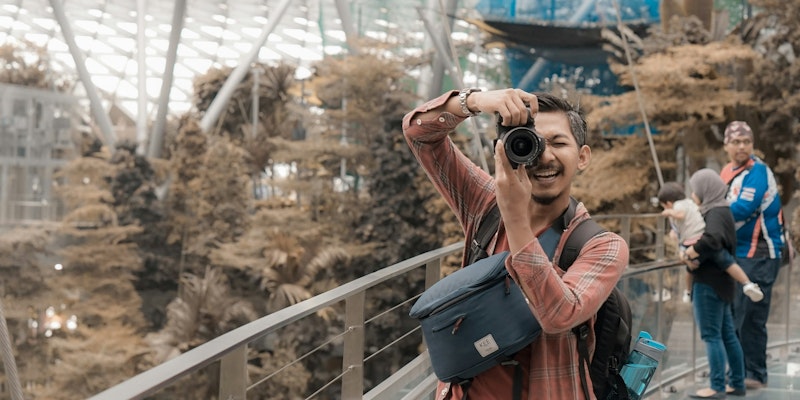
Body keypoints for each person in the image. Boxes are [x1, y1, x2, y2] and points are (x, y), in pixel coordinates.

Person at [402, 88, 628, 400]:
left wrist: (516, 219)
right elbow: (419, 133)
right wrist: (476, 102)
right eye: (530, 143)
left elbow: (559, 315)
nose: (544, 156)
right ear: (508, 149)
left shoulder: (601, 246)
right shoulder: (488, 204)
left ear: (583, 156)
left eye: (559, 143)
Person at [719, 121, 786, 390]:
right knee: (735, 314)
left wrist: (708, 214)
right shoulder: (726, 171)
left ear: (752, 144)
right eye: (735, 142)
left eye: (746, 141)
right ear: (726, 146)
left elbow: (743, 208)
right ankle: (737, 372)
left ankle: (755, 374)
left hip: (761, 253)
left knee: (751, 317)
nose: (741, 147)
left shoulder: (759, 171)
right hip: (738, 253)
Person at [683, 169, 746, 399]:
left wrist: (692, 250)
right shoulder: (723, 209)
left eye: (695, 188)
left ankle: (717, 386)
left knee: (712, 336)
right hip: (722, 282)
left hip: (709, 282)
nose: (693, 193)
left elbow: (712, 239)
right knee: (727, 334)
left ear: (705, 189)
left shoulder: (715, 212)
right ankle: (737, 383)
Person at [656, 182, 763, 303]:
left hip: (692, 242)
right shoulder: (691, 203)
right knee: (727, 262)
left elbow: (680, 215)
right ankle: (746, 283)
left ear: (668, 203)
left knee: (690, 269)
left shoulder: (678, 206)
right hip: (703, 238)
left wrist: (669, 213)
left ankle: (687, 291)